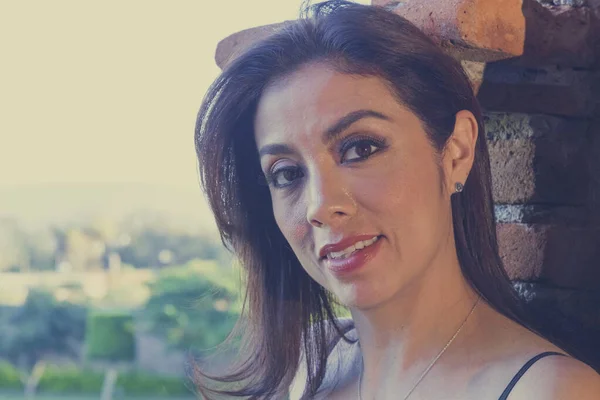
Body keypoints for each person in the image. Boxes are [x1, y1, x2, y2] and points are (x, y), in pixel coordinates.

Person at [193, 1, 600, 399]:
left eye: (361, 149)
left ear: (456, 151)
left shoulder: (551, 391)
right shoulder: (308, 366)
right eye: (286, 173)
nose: (320, 205)